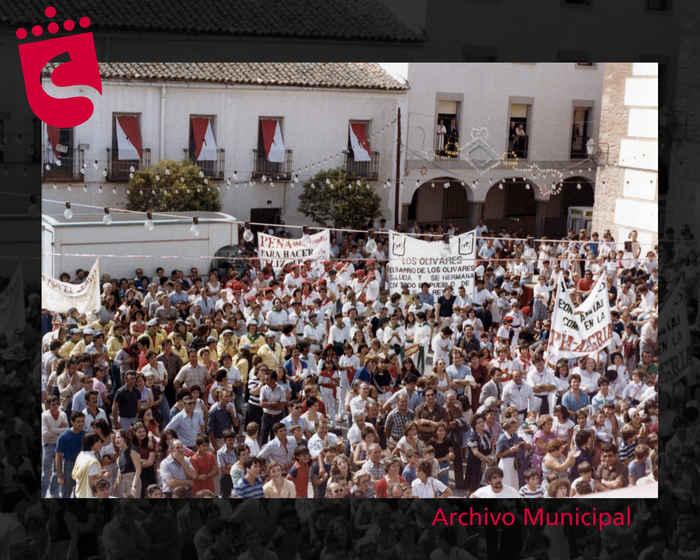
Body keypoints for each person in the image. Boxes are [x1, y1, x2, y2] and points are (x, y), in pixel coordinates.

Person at [54, 411, 85, 498]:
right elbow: (58, 456)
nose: (81, 424)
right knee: (66, 492)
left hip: (82, 466)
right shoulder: (63, 437)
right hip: (69, 466)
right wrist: (59, 474)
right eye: (78, 421)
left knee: (79, 493)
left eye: (82, 421)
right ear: (72, 422)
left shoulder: (85, 435)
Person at [71, 432, 105, 498]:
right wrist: (103, 476)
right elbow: (92, 481)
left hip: (79, 492)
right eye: (99, 441)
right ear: (93, 444)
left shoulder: (80, 455)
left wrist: (99, 472)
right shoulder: (92, 461)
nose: (101, 444)